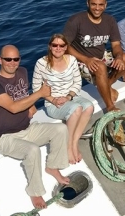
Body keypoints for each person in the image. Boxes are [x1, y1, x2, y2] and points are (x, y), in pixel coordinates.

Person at [0, 45, 69, 209]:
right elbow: (13, 107)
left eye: (16, 59)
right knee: (32, 150)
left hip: (27, 128)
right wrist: (40, 94)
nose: (12, 63)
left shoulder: (22, 71)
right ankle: (34, 191)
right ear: (0, 60)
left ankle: (52, 167)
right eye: (8, 59)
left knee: (60, 129)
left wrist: (30, 105)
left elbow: (23, 94)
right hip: (5, 137)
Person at [32, 34, 94, 164]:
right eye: (55, 45)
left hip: (71, 97)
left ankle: (74, 142)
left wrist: (68, 97)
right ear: (50, 46)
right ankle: (68, 147)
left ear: (66, 47)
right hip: (52, 104)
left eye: (61, 45)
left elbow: (77, 82)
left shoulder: (71, 60)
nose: (58, 48)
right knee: (76, 109)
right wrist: (53, 100)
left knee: (89, 107)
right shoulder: (41, 63)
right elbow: (36, 89)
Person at [63, 0, 125, 112]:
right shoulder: (76, 20)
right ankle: (110, 106)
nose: (97, 8)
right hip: (81, 60)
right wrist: (86, 60)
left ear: (106, 5)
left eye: (101, 5)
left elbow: (116, 44)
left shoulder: (110, 20)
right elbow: (64, 46)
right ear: (87, 3)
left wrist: (118, 56)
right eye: (94, 4)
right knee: (101, 67)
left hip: (101, 55)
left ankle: (106, 85)